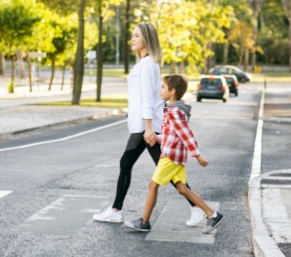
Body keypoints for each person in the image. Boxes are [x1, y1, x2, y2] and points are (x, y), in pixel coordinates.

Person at [92, 23, 205, 227]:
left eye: (136, 36)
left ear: (146, 39)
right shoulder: (145, 63)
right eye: (132, 35)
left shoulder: (147, 65)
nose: (132, 39)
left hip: (147, 126)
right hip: (144, 125)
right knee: (162, 169)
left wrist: (149, 127)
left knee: (142, 166)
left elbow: (147, 99)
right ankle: (195, 208)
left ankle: (117, 210)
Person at [124, 74, 224, 234]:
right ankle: (213, 214)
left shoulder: (174, 112)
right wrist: (157, 138)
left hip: (170, 156)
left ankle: (144, 222)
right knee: (182, 189)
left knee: (153, 185)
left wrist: (198, 156)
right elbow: (173, 135)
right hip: (176, 155)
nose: (160, 89)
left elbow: (186, 134)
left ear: (173, 91)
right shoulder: (173, 109)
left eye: (163, 87)